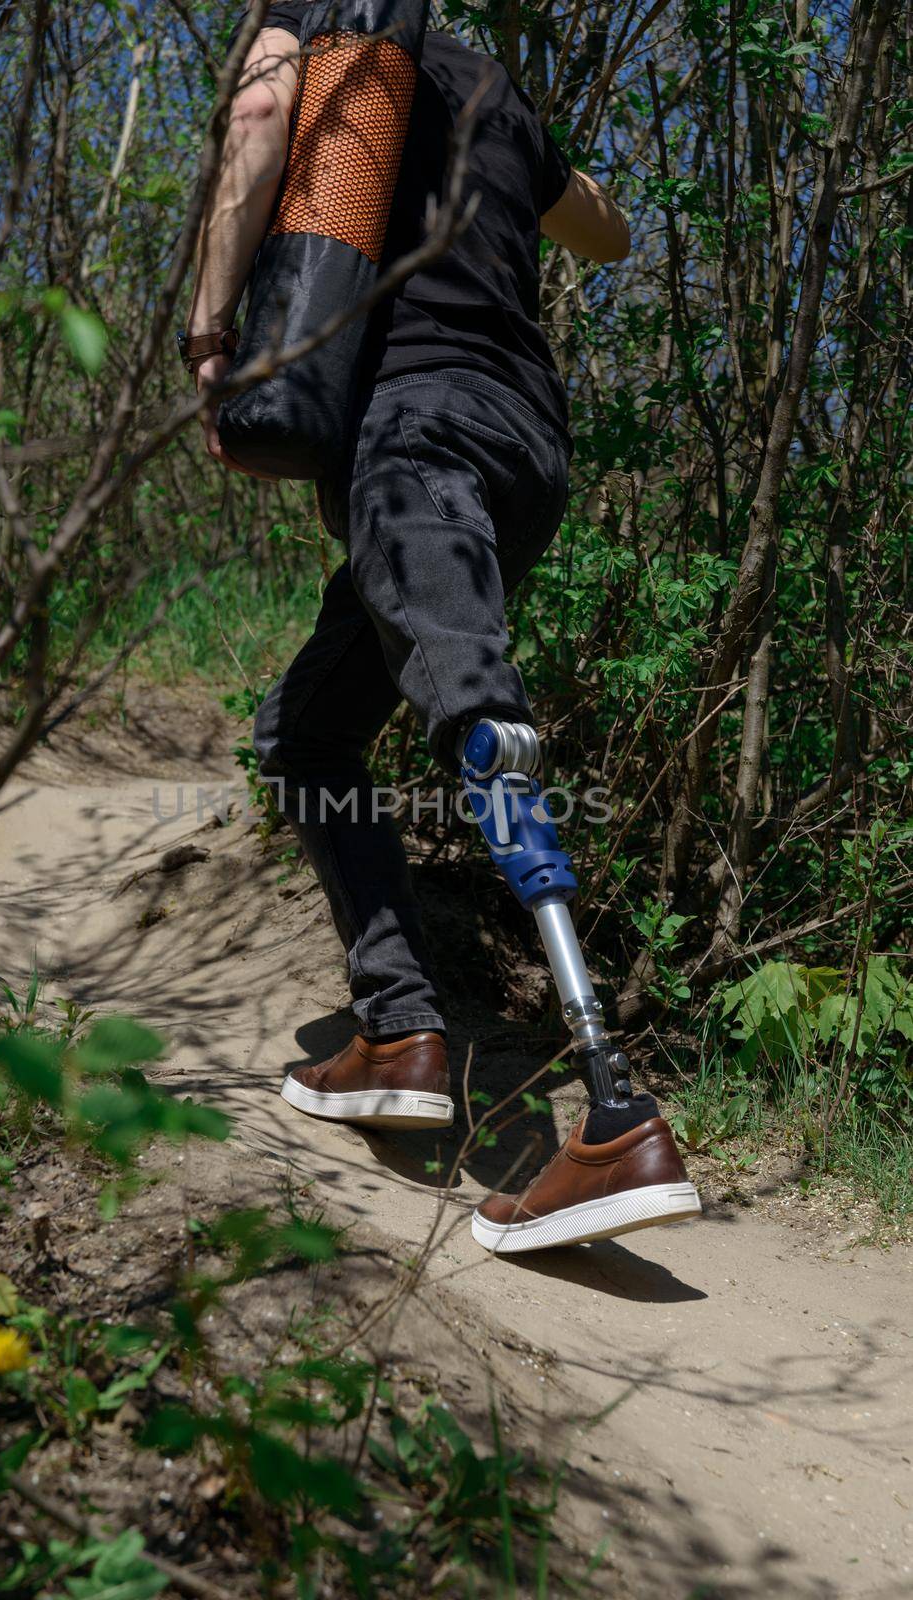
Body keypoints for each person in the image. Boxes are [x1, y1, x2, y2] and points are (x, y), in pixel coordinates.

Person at [185, 5, 700, 1253]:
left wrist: (211, 333)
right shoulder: (494, 87)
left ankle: (616, 1109)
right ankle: (402, 1028)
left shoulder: (316, 38)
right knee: (308, 730)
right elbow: (610, 231)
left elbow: (257, 118)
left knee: (478, 707)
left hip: (410, 429)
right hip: (525, 450)